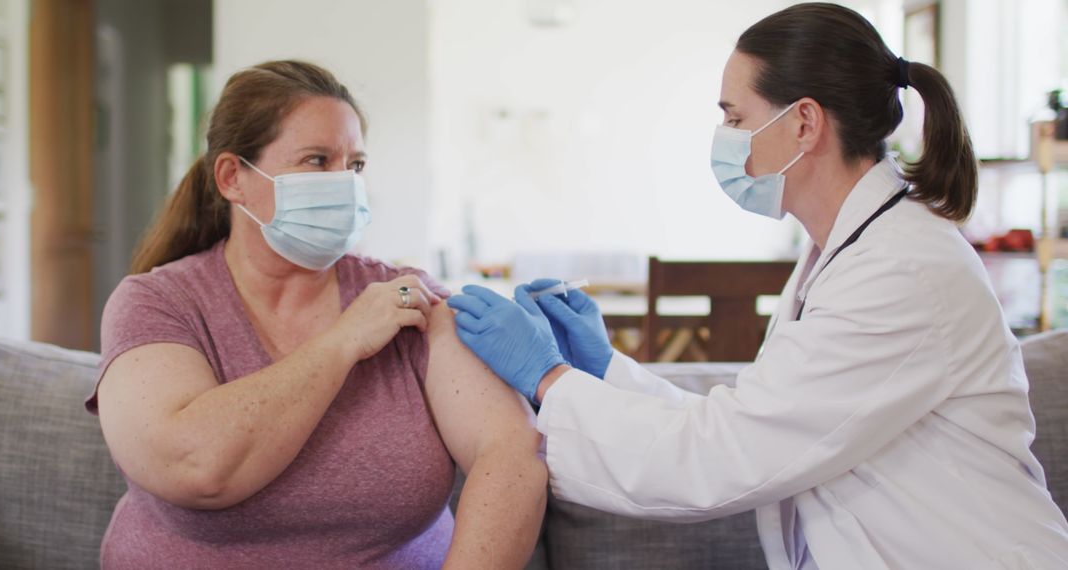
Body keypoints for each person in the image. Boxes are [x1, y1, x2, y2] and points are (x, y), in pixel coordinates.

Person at [448, 3, 1068, 568]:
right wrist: (606, 369)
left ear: (804, 124)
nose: (724, 139)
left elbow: (726, 457)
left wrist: (547, 377)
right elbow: (765, 425)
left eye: (734, 116)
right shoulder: (847, 250)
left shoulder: (900, 270)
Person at [88, 60, 546, 569]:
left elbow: (510, 451)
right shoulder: (158, 302)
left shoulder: (405, 298)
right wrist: (344, 339)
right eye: (316, 160)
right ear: (233, 177)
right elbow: (195, 466)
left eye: (354, 166)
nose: (344, 184)